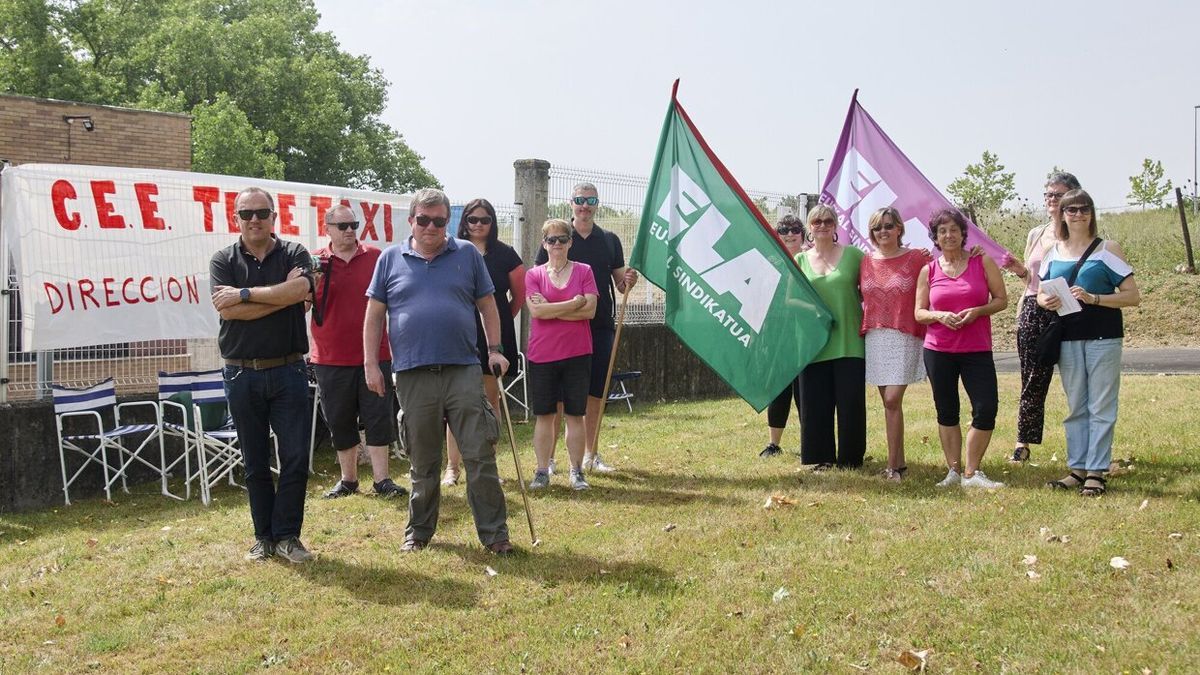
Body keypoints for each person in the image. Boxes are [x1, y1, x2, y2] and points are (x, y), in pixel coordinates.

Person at [363, 188, 514, 555]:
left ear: (449, 222)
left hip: (463, 368)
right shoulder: (389, 259)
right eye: (424, 219)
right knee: (423, 459)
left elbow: (488, 305)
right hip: (412, 372)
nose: (431, 227)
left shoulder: (466, 254)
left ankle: (495, 536)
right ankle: (418, 532)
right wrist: (371, 364)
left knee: (479, 454)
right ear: (412, 220)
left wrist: (494, 350)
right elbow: (374, 316)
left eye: (440, 220)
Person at [209, 187, 314, 563]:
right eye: (246, 214)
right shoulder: (222, 260)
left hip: (289, 369)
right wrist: (279, 296)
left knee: (296, 456)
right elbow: (229, 313)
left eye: (261, 213)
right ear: (235, 218)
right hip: (241, 375)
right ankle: (263, 537)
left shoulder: (295, 253)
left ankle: (288, 535)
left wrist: (246, 294)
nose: (254, 219)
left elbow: (301, 290)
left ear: (274, 216)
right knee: (254, 460)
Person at [1038, 189, 1140, 496]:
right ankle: (1077, 469)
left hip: (1103, 337)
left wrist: (1095, 298)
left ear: (1092, 213)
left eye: (1084, 209)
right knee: (1076, 406)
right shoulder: (1053, 252)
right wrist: (1048, 301)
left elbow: (1132, 295)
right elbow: (1040, 293)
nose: (1078, 214)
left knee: (1101, 405)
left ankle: (1097, 471)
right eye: (1072, 210)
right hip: (1067, 338)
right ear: (1063, 215)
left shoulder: (1108, 249)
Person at [534, 182, 637, 473]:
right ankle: (550, 460)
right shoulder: (557, 236)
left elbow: (619, 283)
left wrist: (629, 280)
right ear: (571, 203)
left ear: (597, 203)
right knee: (557, 398)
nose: (585, 205)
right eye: (580, 199)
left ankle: (591, 455)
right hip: (560, 331)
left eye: (590, 200)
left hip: (600, 327)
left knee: (595, 393)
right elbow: (540, 281)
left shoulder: (609, 240)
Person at [310, 205, 407, 500]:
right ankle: (348, 481)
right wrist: (310, 283)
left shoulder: (376, 257)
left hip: (375, 354)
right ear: (327, 228)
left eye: (354, 224)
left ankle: (382, 480)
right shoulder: (315, 261)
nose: (350, 230)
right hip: (329, 355)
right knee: (339, 419)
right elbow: (301, 305)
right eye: (342, 226)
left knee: (378, 415)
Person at [915, 208, 1008, 489]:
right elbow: (919, 312)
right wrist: (939, 315)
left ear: (963, 233)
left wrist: (978, 311)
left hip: (976, 348)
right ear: (935, 237)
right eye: (942, 231)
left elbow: (1001, 300)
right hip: (938, 350)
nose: (949, 235)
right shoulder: (928, 270)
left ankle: (972, 472)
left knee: (985, 407)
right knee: (946, 410)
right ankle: (953, 472)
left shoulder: (983, 262)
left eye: (954, 230)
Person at [443, 199, 526, 487]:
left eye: (484, 219)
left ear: (493, 223)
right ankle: (452, 468)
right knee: (456, 403)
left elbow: (518, 297)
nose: (478, 224)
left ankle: (489, 466)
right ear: (464, 222)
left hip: (494, 337)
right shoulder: (451, 251)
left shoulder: (506, 255)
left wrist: (498, 322)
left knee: (491, 402)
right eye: (472, 219)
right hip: (458, 334)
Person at [1001, 172, 1082, 463]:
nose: (1051, 200)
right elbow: (1029, 278)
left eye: (1058, 194)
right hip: (1035, 309)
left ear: (1074, 196)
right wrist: (1017, 270)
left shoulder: (1079, 232)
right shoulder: (1036, 233)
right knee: (1032, 379)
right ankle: (1022, 444)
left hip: (1069, 309)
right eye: (1048, 194)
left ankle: (1085, 446)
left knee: (1078, 380)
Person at [525, 219, 598, 490]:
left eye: (562, 239)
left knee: (575, 414)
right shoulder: (534, 274)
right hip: (542, 354)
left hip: (578, 353)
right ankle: (542, 470)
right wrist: (572, 304)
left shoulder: (584, 271)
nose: (557, 244)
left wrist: (552, 308)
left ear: (571, 242)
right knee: (544, 414)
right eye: (551, 240)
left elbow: (589, 311)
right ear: (544, 244)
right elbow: (536, 312)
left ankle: (576, 471)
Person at [859, 206, 928, 481]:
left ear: (899, 228)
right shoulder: (865, 261)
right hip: (875, 336)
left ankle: (893, 468)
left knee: (891, 400)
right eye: (877, 227)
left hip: (905, 335)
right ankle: (899, 463)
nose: (883, 231)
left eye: (888, 225)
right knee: (890, 406)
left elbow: (948, 265)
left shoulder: (916, 258)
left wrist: (977, 255)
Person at [796, 204, 866, 470]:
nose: (822, 225)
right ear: (810, 228)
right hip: (813, 343)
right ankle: (821, 457)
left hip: (849, 340)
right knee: (815, 403)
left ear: (836, 225)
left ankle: (851, 459)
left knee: (850, 405)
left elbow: (875, 284)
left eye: (827, 221)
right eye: (816, 222)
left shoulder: (854, 256)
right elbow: (789, 297)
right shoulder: (800, 261)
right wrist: (816, 311)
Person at [760, 214, 808, 458]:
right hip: (776, 331)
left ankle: (808, 442)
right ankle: (773, 443)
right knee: (778, 389)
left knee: (805, 391)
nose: (789, 234)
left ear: (802, 233)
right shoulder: (770, 261)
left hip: (804, 332)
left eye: (794, 229)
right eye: (783, 230)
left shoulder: (811, 260)